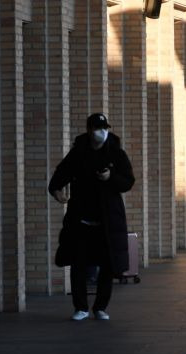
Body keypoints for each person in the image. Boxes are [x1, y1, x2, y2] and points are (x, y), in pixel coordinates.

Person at [48, 113, 135, 321]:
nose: (102, 132)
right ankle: (81, 307)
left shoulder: (116, 152)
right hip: (81, 221)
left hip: (107, 221)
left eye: (105, 128)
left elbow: (128, 181)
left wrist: (110, 177)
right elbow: (60, 174)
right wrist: (56, 191)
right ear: (89, 130)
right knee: (79, 263)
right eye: (98, 128)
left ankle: (100, 307)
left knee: (107, 265)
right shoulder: (79, 153)